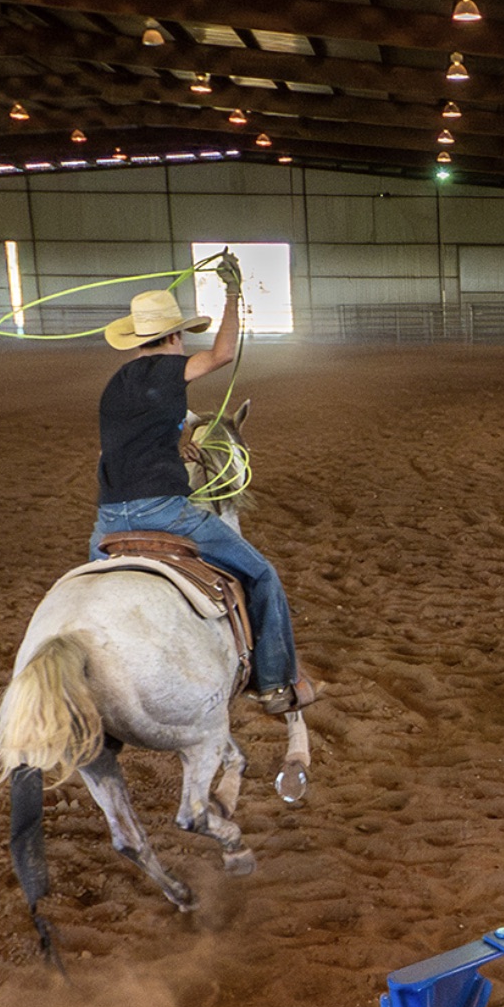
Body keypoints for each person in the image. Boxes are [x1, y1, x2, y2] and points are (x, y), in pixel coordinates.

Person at [86, 264, 313, 714]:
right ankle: (275, 683)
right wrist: (231, 294)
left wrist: (175, 443)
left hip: (107, 519)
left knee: (92, 589)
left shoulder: (115, 386)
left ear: (136, 339)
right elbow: (223, 354)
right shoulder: (169, 370)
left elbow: (125, 442)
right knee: (261, 575)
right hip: (164, 512)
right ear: (173, 337)